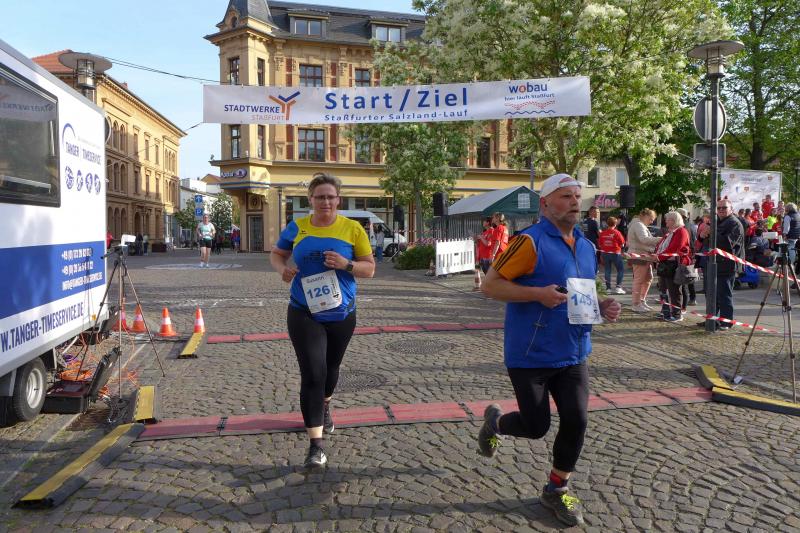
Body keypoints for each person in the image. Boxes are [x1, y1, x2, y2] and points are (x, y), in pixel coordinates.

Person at [479, 173, 621, 527]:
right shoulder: (529, 242)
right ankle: (495, 423)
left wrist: (601, 305)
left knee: (577, 420)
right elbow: (490, 286)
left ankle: (556, 488)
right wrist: (537, 294)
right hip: (532, 352)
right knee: (536, 426)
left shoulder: (586, 246)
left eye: (576, 196)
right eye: (565, 196)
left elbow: (581, 292)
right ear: (545, 204)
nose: (574, 202)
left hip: (574, 350)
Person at [269, 172, 375, 468]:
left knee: (331, 369)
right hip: (304, 310)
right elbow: (277, 254)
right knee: (313, 373)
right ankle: (315, 445)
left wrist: (347, 264)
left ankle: (325, 403)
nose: (325, 201)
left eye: (330, 197)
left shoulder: (353, 229)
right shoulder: (297, 227)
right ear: (310, 200)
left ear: (338, 200)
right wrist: (282, 269)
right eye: (320, 197)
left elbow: (370, 269)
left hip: (342, 312)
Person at [708, 199, 744, 331]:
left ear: (731, 209)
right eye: (719, 208)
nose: (721, 210)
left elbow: (728, 243)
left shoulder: (734, 223)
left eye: (724, 207)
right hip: (716, 263)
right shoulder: (718, 222)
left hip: (727, 264)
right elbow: (709, 242)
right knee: (714, 295)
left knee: (724, 294)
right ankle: (711, 320)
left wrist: (711, 232)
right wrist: (703, 235)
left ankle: (726, 322)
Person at [652, 211, 690, 321]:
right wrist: (657, 255)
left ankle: (677, 314)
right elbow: (660, 245)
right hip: (665, 264)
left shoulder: (681, 231)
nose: (666, 222)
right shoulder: (670, 233)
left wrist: (659, 257)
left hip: (673, 265)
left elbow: (675, 248)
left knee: (674, 291)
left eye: (667, 220)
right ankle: (665, 311)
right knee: (663, 289)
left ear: (674, 221)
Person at [626, 208, 661, 312]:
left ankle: (641, 301)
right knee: (639, 280)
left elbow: (644, 240)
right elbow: (644, 239)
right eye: (651, 219)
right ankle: (636, 303)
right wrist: (661, 239)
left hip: (643, 256)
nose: (652, 222)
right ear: (645, 216)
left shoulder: (640, 225)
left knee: (648, 278)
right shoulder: (638, 225)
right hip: (639, 256)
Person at [597, 216, 626, 294]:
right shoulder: (617, 232)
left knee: (607, 270)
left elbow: (600, 244)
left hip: (605, 253)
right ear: (615, 224)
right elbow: (622, 243)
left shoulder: (603, 233)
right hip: (615, 253)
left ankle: (608, 289)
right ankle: (618, 287)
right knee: (620, 270)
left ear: (607, 224)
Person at [677, 208, 697, 308]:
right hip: (691, 254)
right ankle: (693, 298)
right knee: (690, 277)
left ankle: (683, 305)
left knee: (684, 280)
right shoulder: (691, 225)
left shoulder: (683, 227)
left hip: (685, 255)